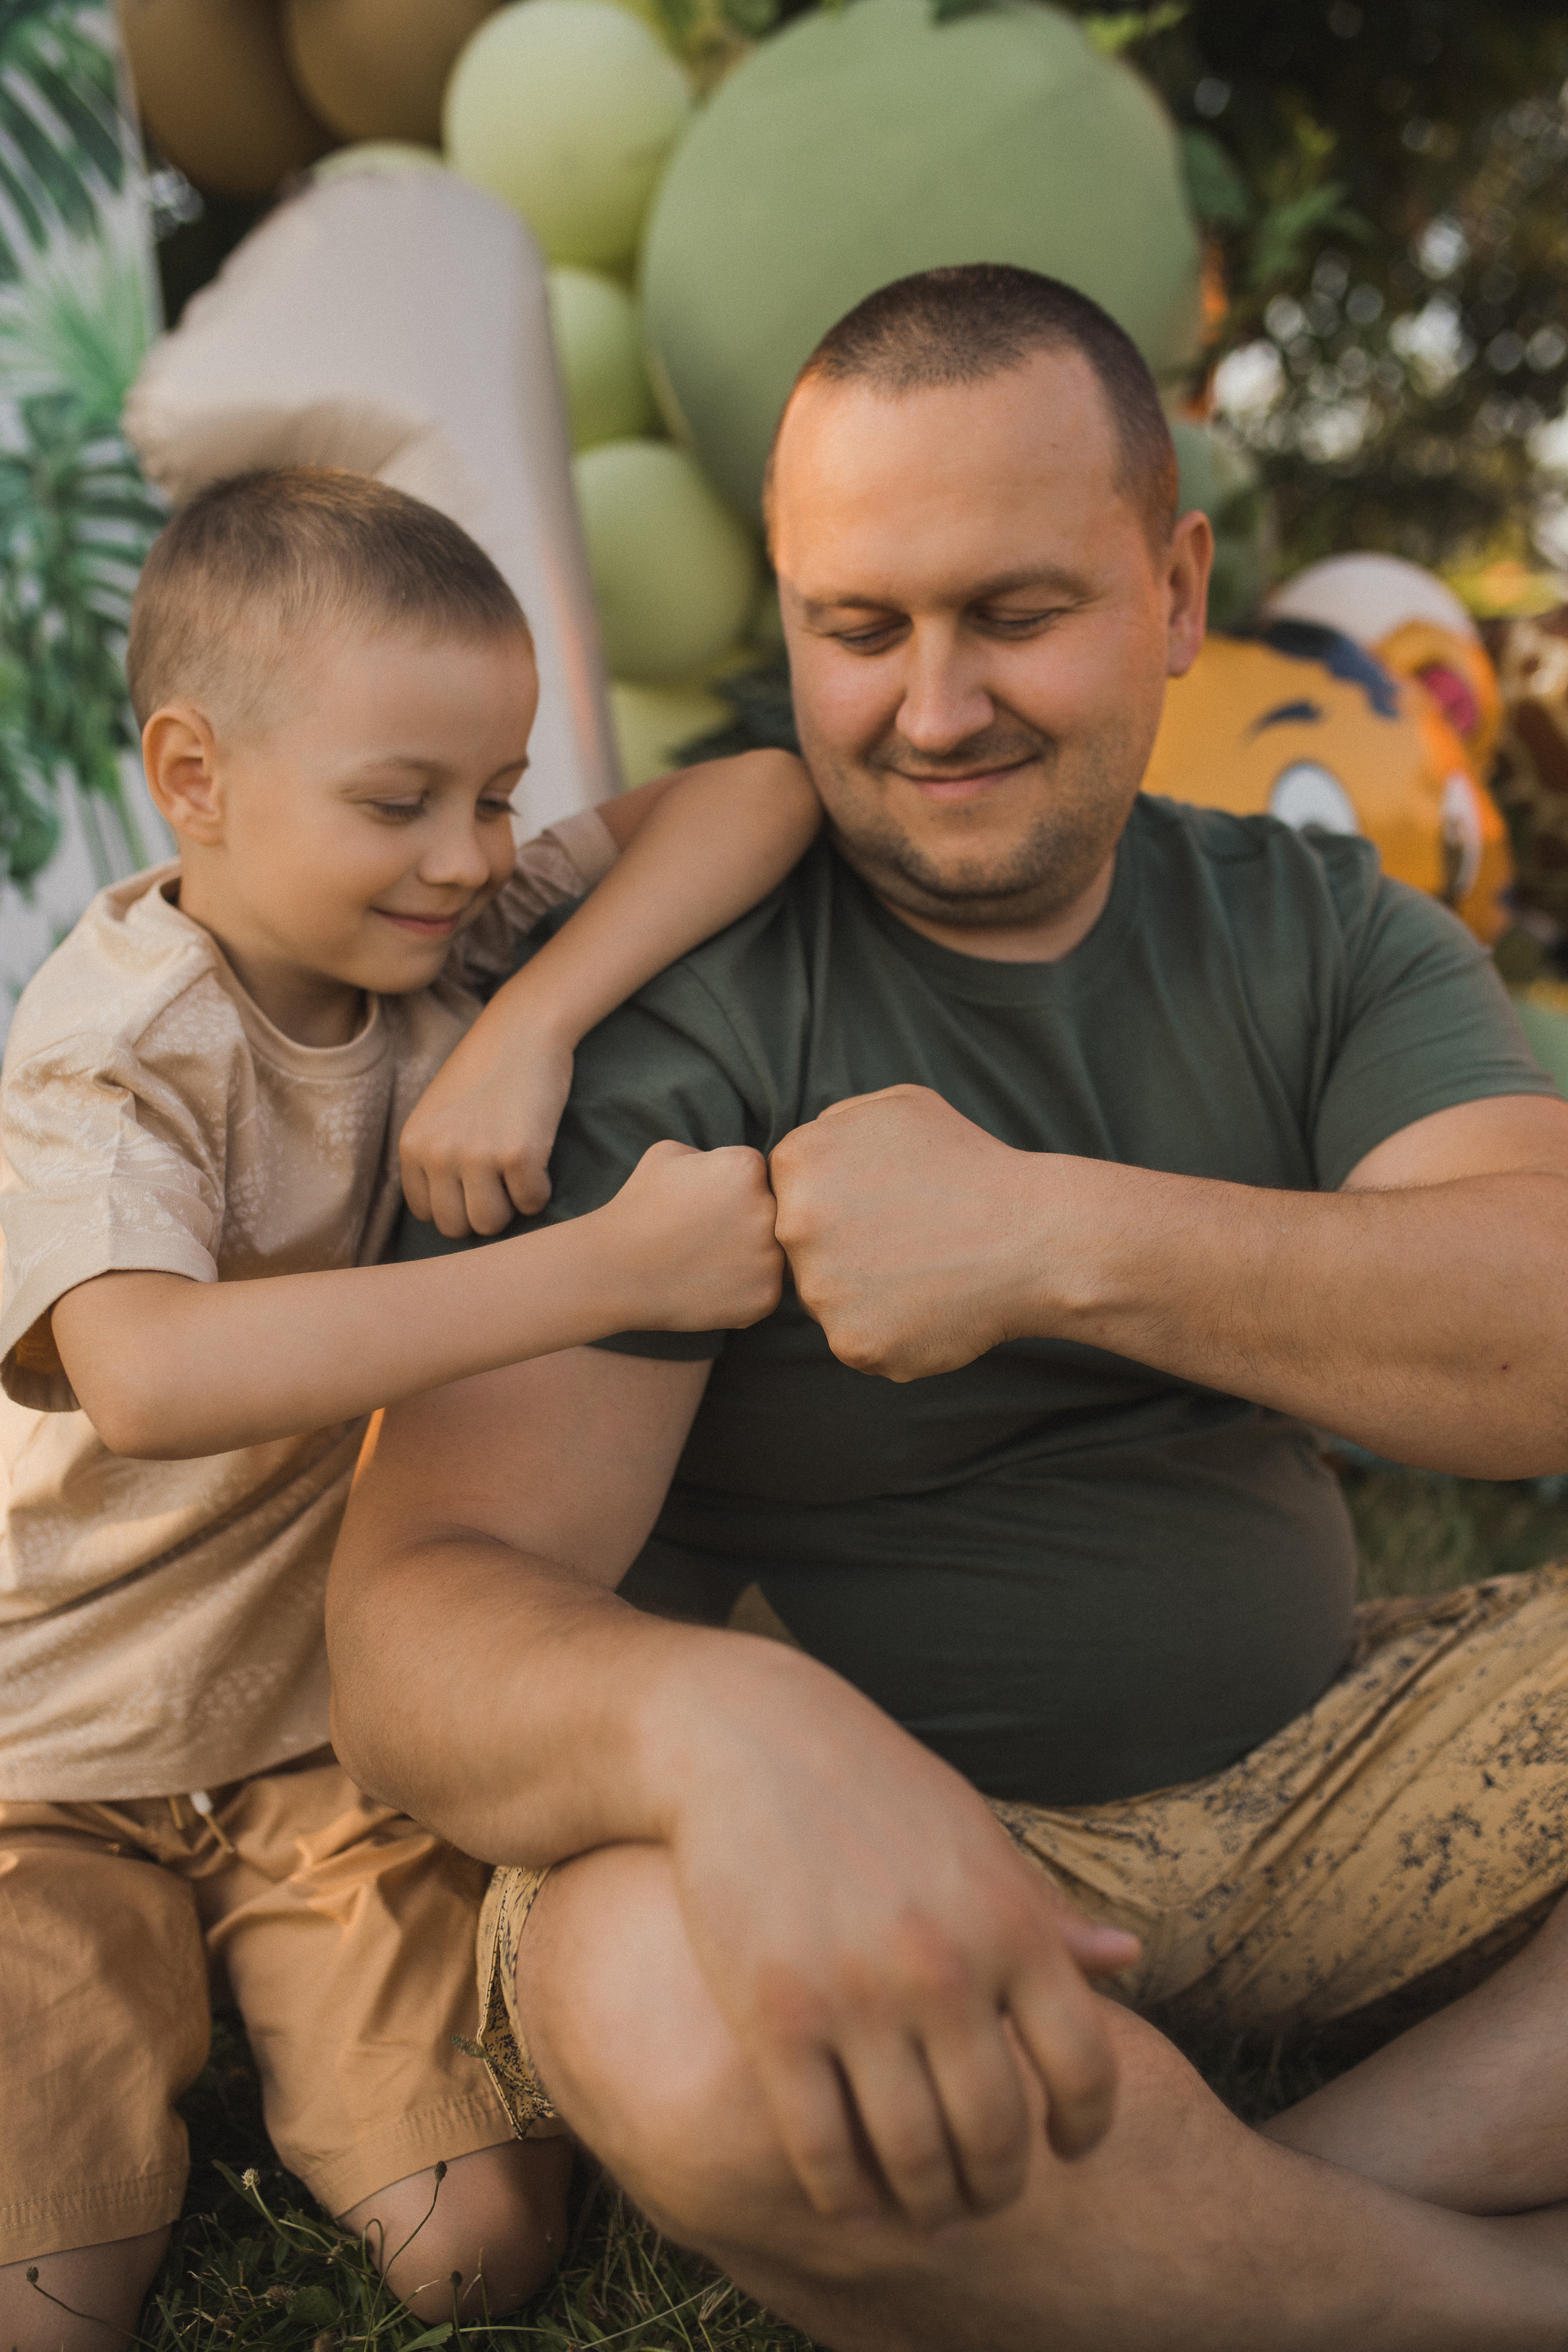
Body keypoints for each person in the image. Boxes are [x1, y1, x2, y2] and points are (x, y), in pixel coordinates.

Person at [327, 268, 1568, 2351]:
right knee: (643, 1997)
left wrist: (1058, 1238)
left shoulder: (1321, 932)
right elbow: (422, 1614)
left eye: (1015, 614)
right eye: (859, 629)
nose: (932, 708)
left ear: (1176, 591)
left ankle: (1237, 2235)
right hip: (876, 1855)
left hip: (1339, 1774)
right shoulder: (658, 1004)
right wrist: (725, 1731)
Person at [0, 467, 799, 2351]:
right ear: (194, 779)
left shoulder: (451, 945)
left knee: (473, 2251)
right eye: (401, 803)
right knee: (47, 2306)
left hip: (308, 1746)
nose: (467, 852)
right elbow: (149, 1375)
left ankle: (271, 1990)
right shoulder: (112, 1051)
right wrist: (604, 1270)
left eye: (502, 793)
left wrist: (531, 1023)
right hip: (43, 1747)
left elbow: (758, 790)